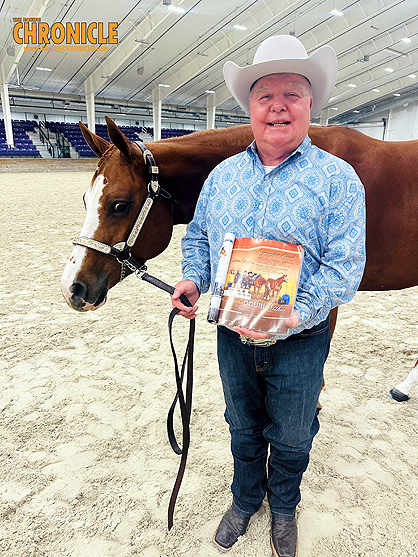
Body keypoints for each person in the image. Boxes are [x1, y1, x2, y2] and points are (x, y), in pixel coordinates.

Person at [172, 35, 366, 557]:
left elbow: (346, 267)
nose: (278, 106)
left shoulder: (339, 179)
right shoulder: (222, 177)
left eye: (291, 95)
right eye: (265, 96)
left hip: (299, 342)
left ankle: (283, 506)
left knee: (295, 434)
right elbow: (198, 237)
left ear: (310, 105)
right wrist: (194, 279)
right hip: (232, 337)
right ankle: (244, 499)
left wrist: (291, 316)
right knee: (241, 426)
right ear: (251, 108)